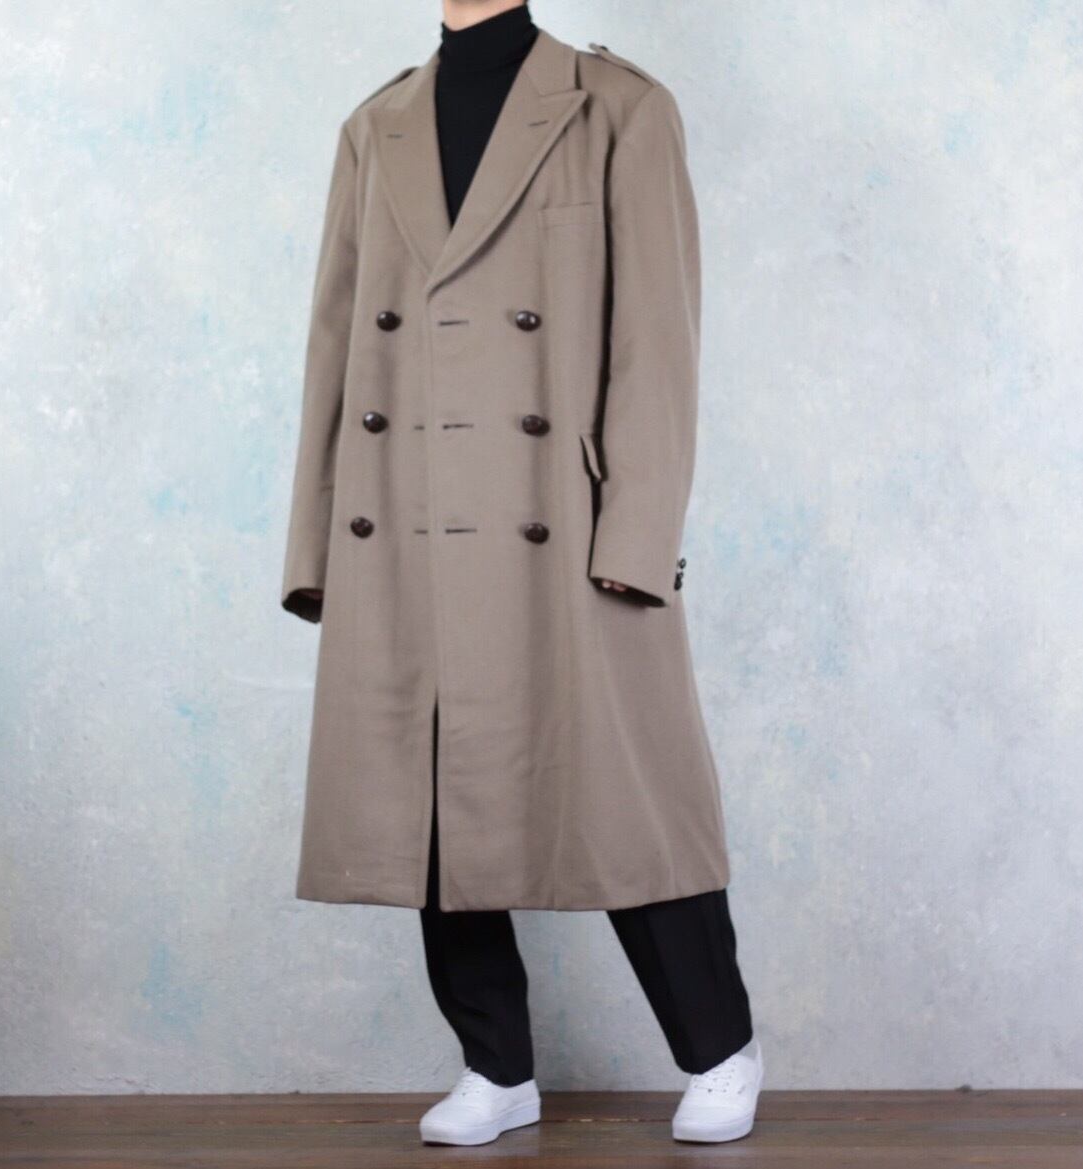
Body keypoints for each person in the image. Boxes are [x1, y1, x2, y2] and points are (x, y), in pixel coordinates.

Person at [281, 0, 763, 1147]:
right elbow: (335, 346)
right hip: (405, 517)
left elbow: (657, 343)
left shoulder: (619, 110)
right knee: (430, 805)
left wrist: (635, 535)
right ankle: (495, 1063)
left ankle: (721, 1045)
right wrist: (317, 543)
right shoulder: (375, 126)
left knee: (633, 799)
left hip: (562, 520)